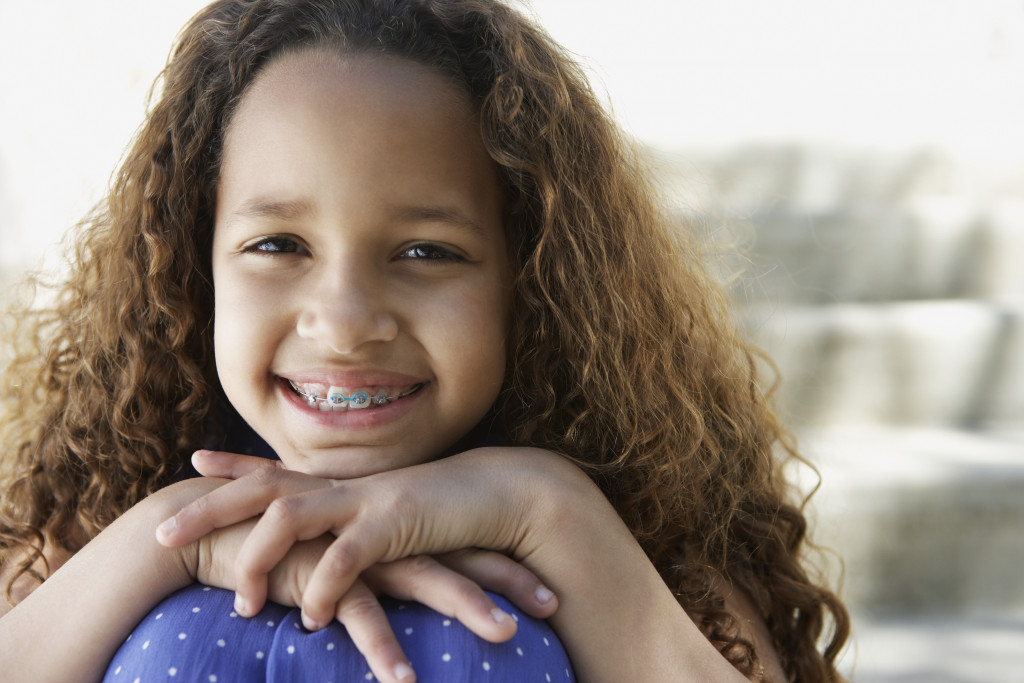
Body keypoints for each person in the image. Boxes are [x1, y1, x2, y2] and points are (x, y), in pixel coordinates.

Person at [0, 0, 850, 681]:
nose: (343, 321)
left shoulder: (645, 534)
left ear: (532, 282)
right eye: (278, 245)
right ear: (195, 269)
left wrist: (544, 507)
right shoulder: (96, 510)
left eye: (425, 252)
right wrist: (178, 536)